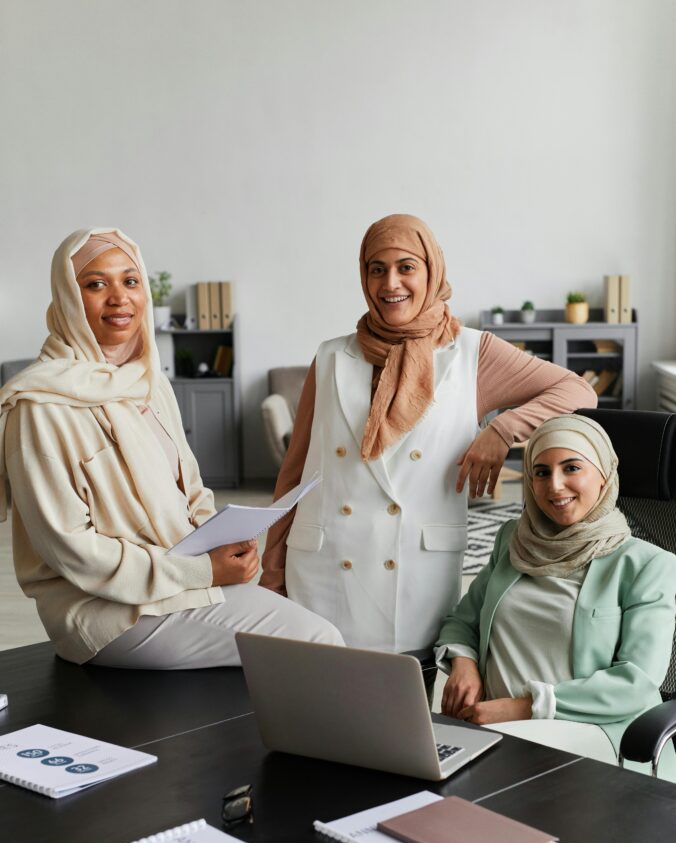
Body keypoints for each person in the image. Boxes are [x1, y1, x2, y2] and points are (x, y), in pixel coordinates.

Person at [0, 228, 342, 668]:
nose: (119, 298)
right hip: (107, 614)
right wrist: (203, 571)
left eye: (130, 280)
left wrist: (224, 544)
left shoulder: (148, 382)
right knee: (319, 639)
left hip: (178, 582)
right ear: (67, 296)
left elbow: (192, 487)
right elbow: (72, 550)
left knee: (310, 626)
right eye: (96, 284)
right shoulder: (39, 408)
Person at [260, 214, 596, 652]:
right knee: (318, 707)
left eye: (406, 267)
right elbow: (295, 472)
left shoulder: (472, 354)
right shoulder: (331, 357)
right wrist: (272, 569)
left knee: (405, 706)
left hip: (412, 570)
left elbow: (578, 390)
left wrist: (504, 428)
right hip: (324, 569)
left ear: (431, 269)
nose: (390, 283)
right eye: (376, 269)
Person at [437, 414, 676, 779]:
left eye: (572, 468)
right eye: (542, 472)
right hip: (496, 726)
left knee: (457, 785)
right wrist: (464, 665)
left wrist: (524, 708)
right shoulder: (512, 540)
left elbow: (637, 685)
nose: (555, 486)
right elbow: (462, 621)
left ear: (604, 475)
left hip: (592, 731)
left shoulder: (646, 565)